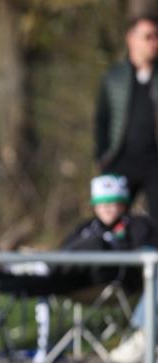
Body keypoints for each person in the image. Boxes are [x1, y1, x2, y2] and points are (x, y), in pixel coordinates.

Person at [0, 175, 158, 363]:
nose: (106, 208)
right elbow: (64, 252)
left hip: (113, 281)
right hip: (77, 278)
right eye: (101, 203)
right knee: (46, 281)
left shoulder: (138, 225)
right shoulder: (87, 227)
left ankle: (35, 265)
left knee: (95, 243)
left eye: (112, 203)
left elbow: (148, 254)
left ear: (123, 204)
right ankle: (8, 275)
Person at [95, 14, 158, 219]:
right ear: (131, 38)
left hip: (154, 162)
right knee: (113, 220)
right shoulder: (114, 77)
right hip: (121, 160)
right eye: (148, 37)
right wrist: (102, 157)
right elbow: (102, 120)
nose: (154, 43)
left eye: (156, 37)